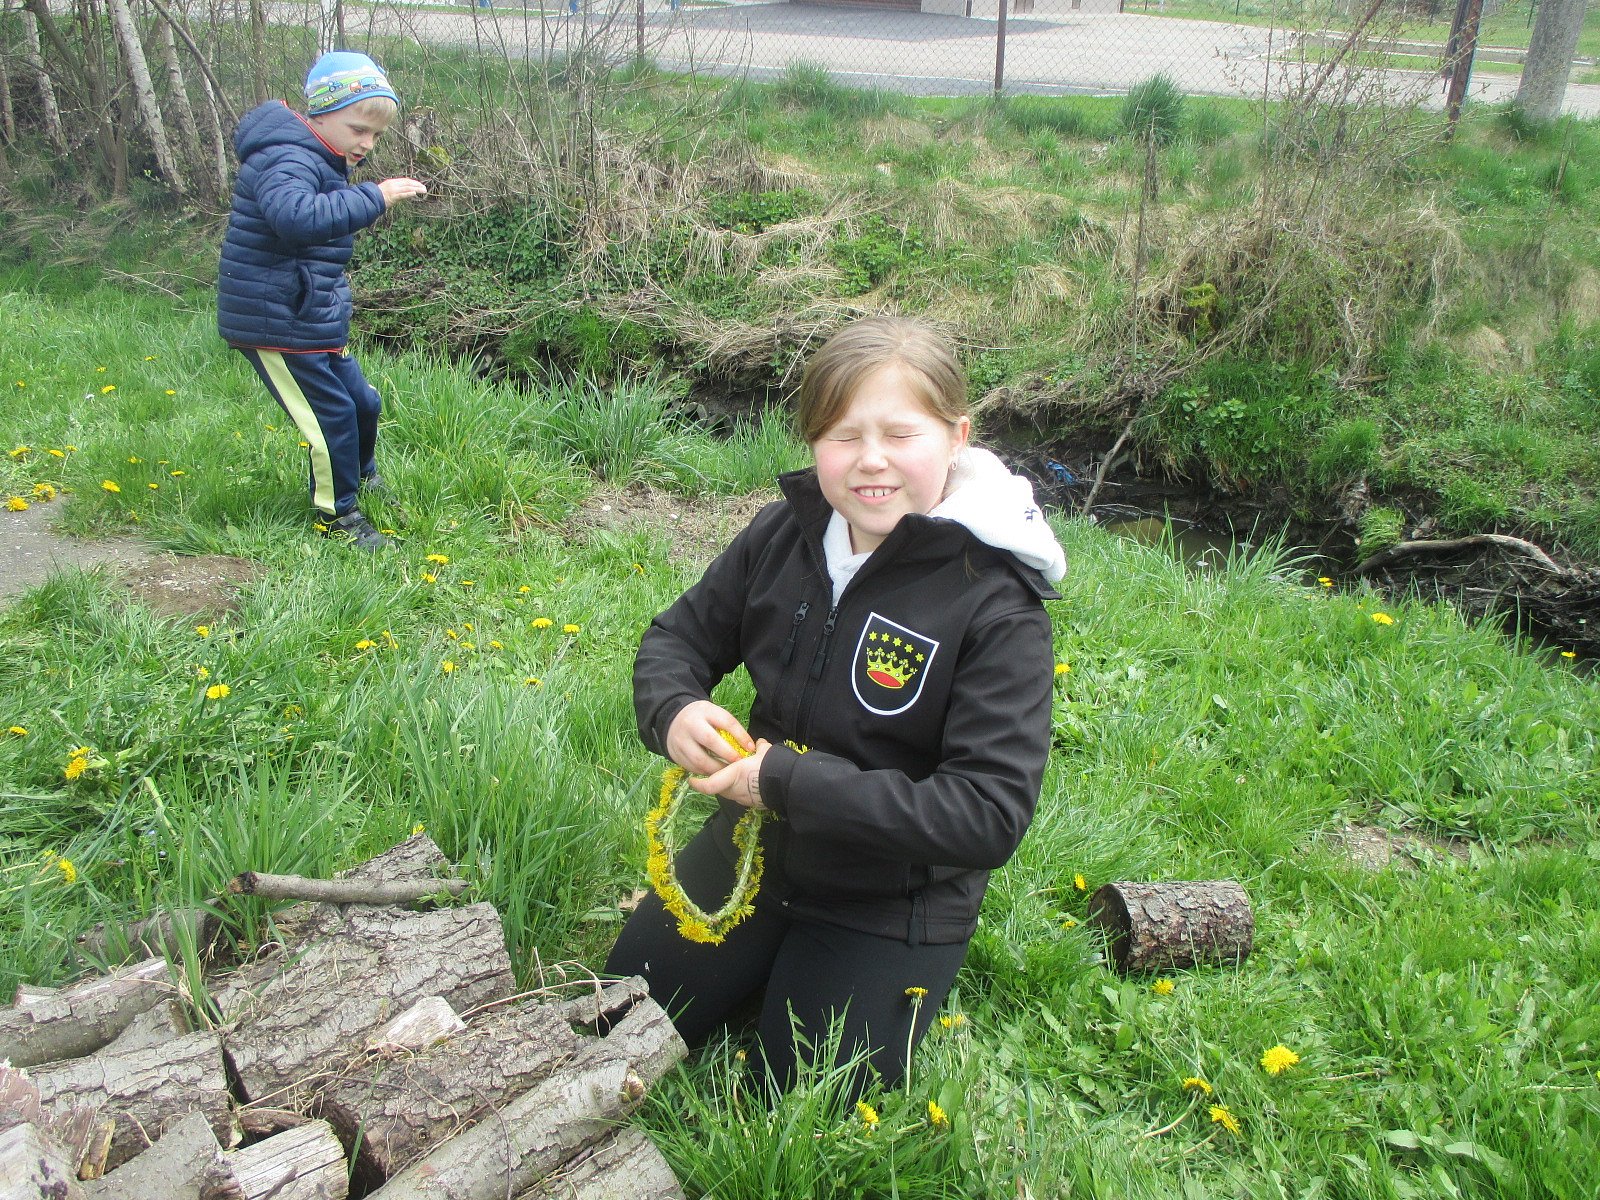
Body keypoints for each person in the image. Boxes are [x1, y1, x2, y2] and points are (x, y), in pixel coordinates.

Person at [608, 316, 1066, 1094]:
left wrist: (783, 782)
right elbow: (674, 641)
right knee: (613, 1022)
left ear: (957, 437)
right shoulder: (782, 534)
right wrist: (675, 709)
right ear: (814, 440)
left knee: (801, 1098)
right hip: (751, 852)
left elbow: (987, 814)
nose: (871, 460)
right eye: (843, 435)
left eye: (901, 434)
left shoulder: (997, 603)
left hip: (891, 900)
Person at [216, 51, 427, 550]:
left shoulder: (318, 158)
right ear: (323, 114)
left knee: (362, 404)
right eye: (358, 129)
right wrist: (376, 196)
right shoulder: (286, 157)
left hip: (308, 315)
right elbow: (296, 218)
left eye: (376, 135)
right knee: (331, 418)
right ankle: (340, 517)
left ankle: (361, 475)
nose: (366, 143)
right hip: (274, 322)